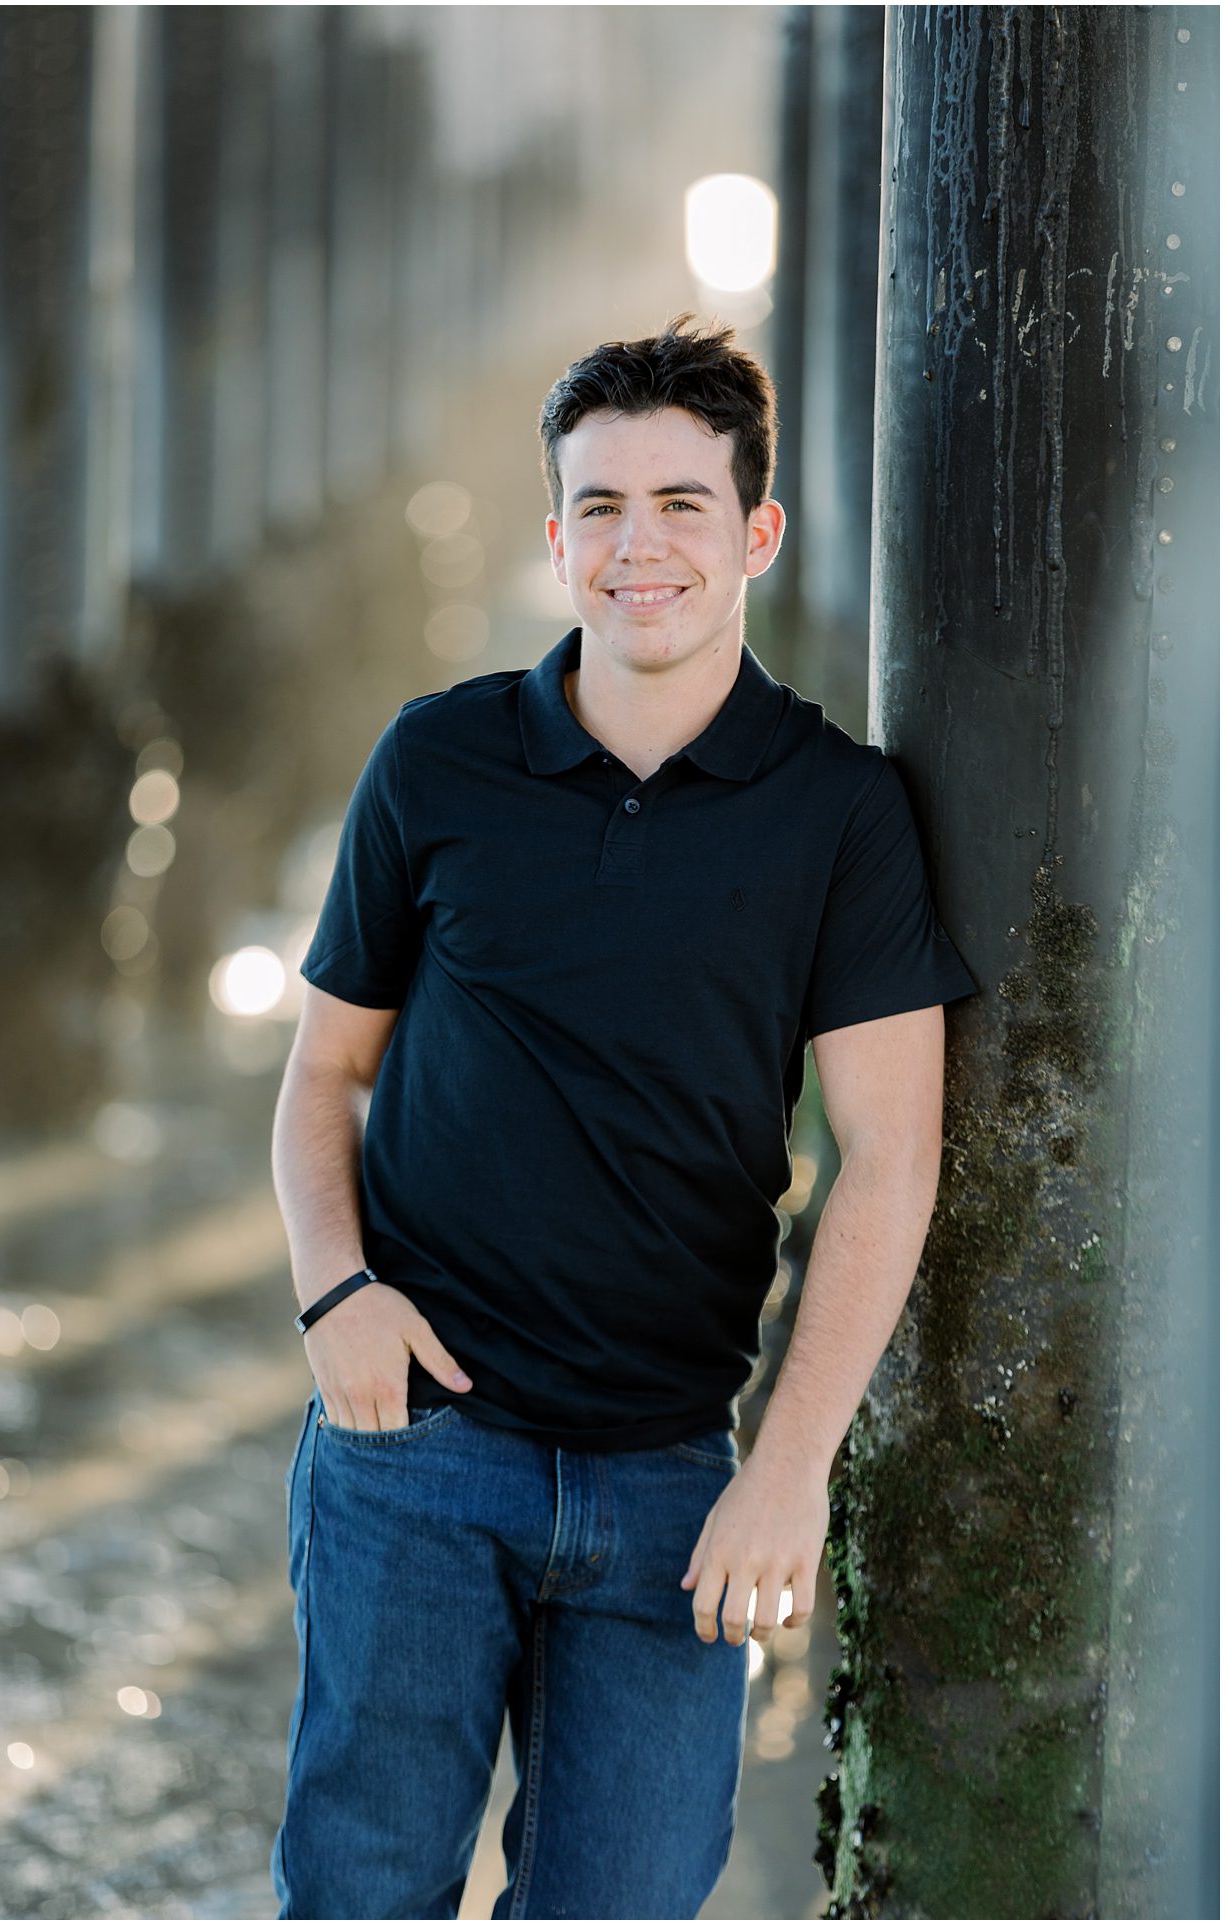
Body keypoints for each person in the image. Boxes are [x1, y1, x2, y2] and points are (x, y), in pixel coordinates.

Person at [268, 312, 978, 1920]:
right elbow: (324, 1072)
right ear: (556, 533)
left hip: (674, 1479)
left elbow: (892, 1153)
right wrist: (335, 1293)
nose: (638, 545)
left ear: (757, 532)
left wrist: (787, 1467)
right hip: (416, 1451)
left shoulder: (840, 809)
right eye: (601, 505)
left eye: (681, 504)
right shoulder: (438, 759)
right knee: (360, 1896)